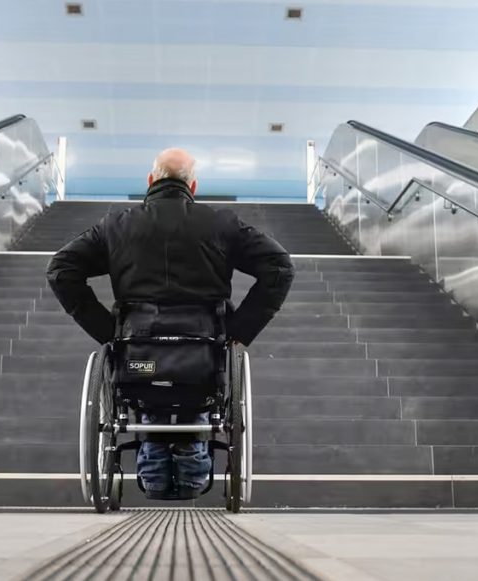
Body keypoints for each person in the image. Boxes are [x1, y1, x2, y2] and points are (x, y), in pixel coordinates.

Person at [46, 148, 294, 500]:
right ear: (192, 185)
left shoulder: (117, 225)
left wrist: (108, 331)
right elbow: (280, 267)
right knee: (196, 394)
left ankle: (154, 464)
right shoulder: (220, 223)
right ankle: (191, 463)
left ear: (151, 181)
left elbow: (60, 270)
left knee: (146, 395)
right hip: (204, 354)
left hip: (137, 353)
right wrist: (239, 331)